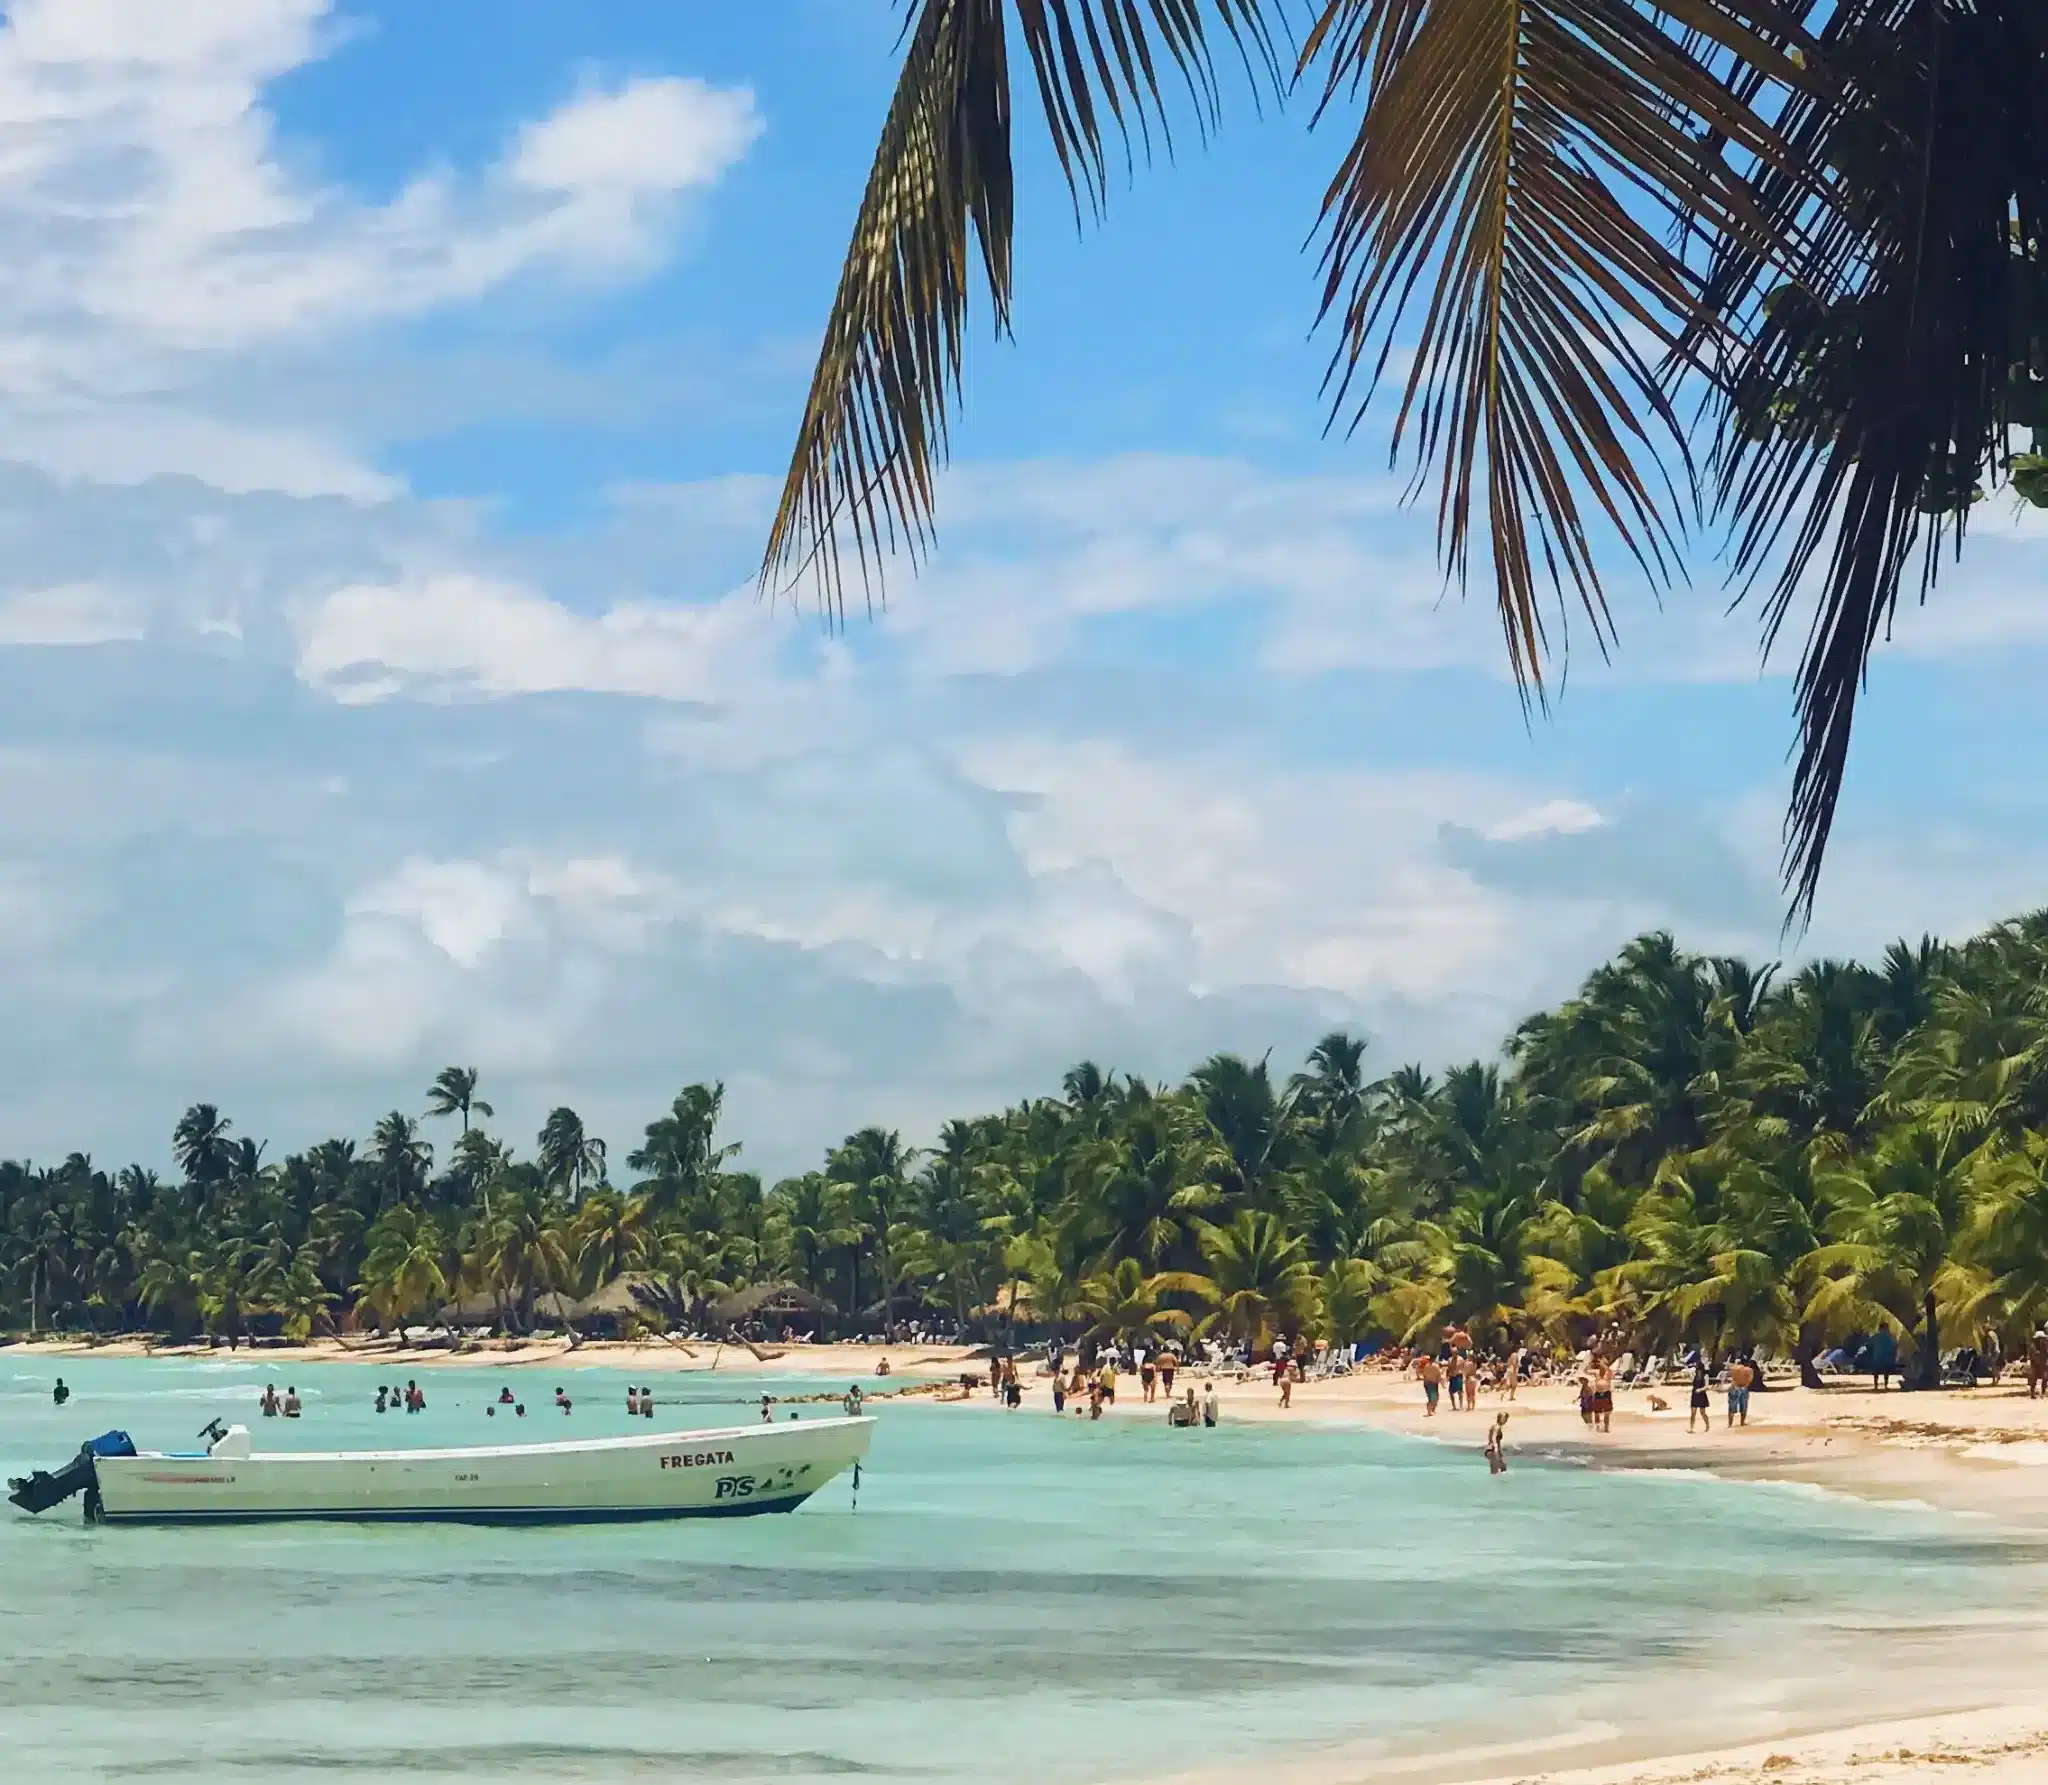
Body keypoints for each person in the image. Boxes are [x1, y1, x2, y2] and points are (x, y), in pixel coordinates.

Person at [1726, 1355, 1754, 1429]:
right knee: (1744, 1406)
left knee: (1731, 1406)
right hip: (1744, 1388)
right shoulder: (1749, 1370)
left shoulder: (1734, 1368)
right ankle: (1742, 1422)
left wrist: (1730, 1360)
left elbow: (1728, 1367)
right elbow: (1750, 1380)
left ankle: (1730, 1424)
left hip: (1734, 1387)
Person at [1589, 1358, 1613, 1434]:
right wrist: (1589, 1364)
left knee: (1607, 1413)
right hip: (1598, 1394)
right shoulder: (1596, 1372)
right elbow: (1586, 1371)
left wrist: (1604, 1365)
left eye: (1604, 1364)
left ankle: (1606, 1428)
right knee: (1596, 1413)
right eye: (1601, 1364)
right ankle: (1597, 1427)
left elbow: (1610, 1372)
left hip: (1606, 1394)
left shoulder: (1608, 1372)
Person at [1688, 1357, 1712, 1433]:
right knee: (1693, 1412)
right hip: (1695, 1395)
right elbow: (1692, 1381)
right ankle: (1691, 1428)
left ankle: (1707, 1425)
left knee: (1702, 1412)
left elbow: (1706, 1386)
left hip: (1701, 1395)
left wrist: (1700, 1389)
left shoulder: (1705, 1376)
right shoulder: (1695, 1375)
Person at [1419, 1352, 1442, 1417]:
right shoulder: (1436, 1366)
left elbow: (1424, 1376)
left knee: (1431, 1398)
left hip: (1427, 1383)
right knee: (1433, 1398)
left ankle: (1432, 1410)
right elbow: (1439, 1376)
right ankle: (1430, 1412)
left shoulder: (1426, 1366)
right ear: (1434, 1358)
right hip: (1433, 1383)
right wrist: (1442, 1383)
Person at [2028, 1328, 2047, 1400]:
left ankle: (2043, 1393)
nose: (2041, 1340)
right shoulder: (2032, 1346)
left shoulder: (2045, 1346)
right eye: (2040, 1338)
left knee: (2045, 1378)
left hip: (2043, 1364)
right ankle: (2032, 1393)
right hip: (2035, 1365)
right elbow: (2032, 1356)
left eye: (2042, 1338)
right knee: (2033, 1379)